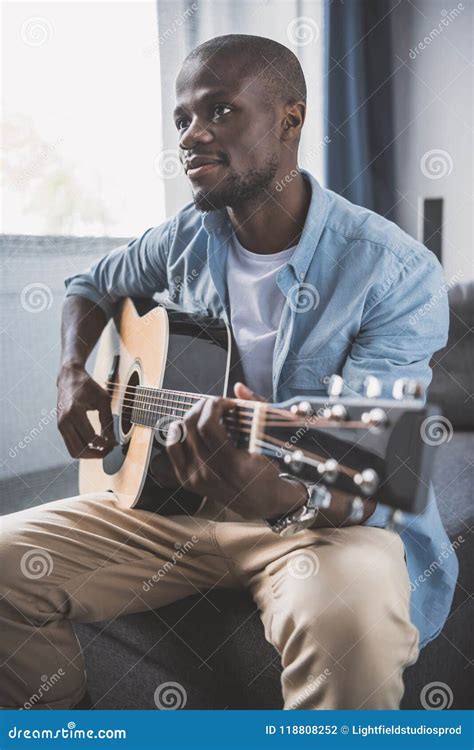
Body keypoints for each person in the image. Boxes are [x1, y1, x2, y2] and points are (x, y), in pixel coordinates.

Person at [0, 34, 457, 710]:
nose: (191, 135)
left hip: (322, 520)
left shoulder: (393, 269)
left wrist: (279, 496)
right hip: (175, 508)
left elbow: (379, 462)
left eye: (220, 111)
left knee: (350, 623)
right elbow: (90, 283)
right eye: (182, 118)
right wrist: (72, 371)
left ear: (289, 120)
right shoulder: (186, 235)